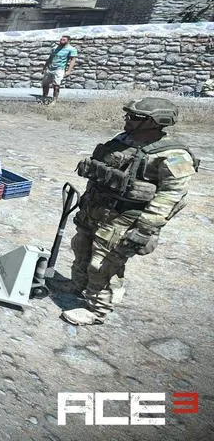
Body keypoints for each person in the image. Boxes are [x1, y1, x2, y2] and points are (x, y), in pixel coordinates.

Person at [57, 98, 198, 326]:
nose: (127, 120)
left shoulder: (173, 154)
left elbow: (172, 196)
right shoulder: (123, 141)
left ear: (154, 122)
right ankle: (77, 286)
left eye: (134, 118)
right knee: (81, 247)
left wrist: (146, 229)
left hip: (126, 218)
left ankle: (97, 310)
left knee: (103, 264)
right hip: (97, 211)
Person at [41, 35, 78, 104]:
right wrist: (45, 67)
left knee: (56, 85)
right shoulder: (55, 48)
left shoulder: (71, 49)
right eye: (61, 39)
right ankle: (44, 97)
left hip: (60, 69)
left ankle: (54, 100)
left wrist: (69, 71)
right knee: (45, 84)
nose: (61, 41)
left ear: (68, 41)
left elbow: (73, 60)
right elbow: (50, 58)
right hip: (50, 68)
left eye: (64, 40)